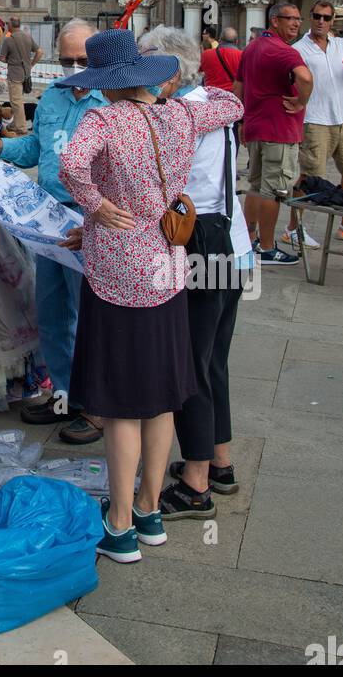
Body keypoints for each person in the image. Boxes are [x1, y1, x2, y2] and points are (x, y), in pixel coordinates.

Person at [57, 29, 242, 563]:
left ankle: (119, 527)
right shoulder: (179, 116)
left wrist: (94, 204)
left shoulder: (103, 120)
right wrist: (183, 94)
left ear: (104, 83)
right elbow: (229, 104)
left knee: (120, 406)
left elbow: (71, 164)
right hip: (168, 267)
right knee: (162, 398)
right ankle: (149, 509)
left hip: (118, 275)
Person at [138, 27, 253, 521]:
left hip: (199, 242)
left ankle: (196, 483)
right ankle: (218, 459)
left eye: (148, 67)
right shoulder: (212, 102)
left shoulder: (181, 114)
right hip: (232, 243)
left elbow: (163, 187)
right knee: (213, 360)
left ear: (170, 72)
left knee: (191, 365)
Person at [0, 19, 106, 442]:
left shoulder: (111, 102)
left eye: (82, 60)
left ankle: (97, 406)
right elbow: (35, 147)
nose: (73, 68)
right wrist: (0, 147)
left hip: (90, 222)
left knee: (90, 316)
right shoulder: (51, 97)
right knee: (52, 313)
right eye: (66, 60)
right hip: (48, 219)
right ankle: (65, 394)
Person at [233, 3, 312, 265]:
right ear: (274, 20)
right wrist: (301, 101)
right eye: (290, 19)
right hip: (279, 130)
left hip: (257, 127)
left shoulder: (252, 46)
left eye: (299, 19)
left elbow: (239, 85)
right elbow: (306, 78)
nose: (296, 23)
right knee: (273, 190)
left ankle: (248, 239)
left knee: (255, 186)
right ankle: (267, 247)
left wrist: (242, 119)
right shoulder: (283, 51)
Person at [286, 0, 343, 247]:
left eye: (326, 17)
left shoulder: (341, 45)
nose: (321, 21)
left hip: (342, 118)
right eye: (317, 16)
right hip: (315, 120)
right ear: (311, 17)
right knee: (310, 177)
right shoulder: (299, 48)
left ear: (332, 21)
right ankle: (293, 229)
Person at [0, 16, 43, 136]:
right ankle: (16, 124)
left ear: (10, 25)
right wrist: (31, 64)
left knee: (16, 101)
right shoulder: (28, 37)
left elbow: (2, 58)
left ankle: (20, 127)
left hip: (14, 74)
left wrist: (10, 60)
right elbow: (40, 52)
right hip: (26, 74)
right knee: (19, 100)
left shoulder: (9, 39)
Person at [199, 24, 242, 93]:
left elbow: (199, 71)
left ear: (219, 40)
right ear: (236, 41)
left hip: (211, 95)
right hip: (232, 95)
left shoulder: (206, 54)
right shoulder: (241, 55)